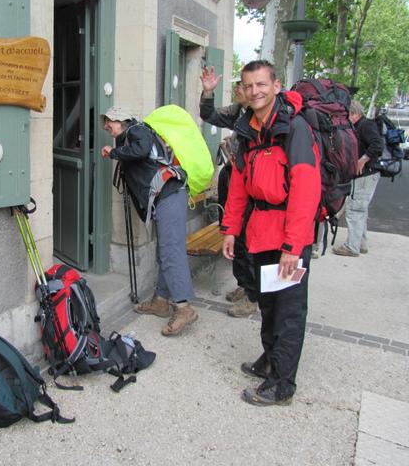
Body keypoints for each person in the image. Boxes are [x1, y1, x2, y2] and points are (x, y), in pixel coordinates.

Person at [221, 60, 321, 406]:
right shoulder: (249, 130)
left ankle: (282, 384)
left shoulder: (295, 129)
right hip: (261, 233)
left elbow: (306, 189)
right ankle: (270, 360)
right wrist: (231, 229)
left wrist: (293, 246)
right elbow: (238, 185)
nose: (255, 91)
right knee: (268, 304)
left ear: (276, 86)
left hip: (290, 236)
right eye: (249, 86)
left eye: (262, 84)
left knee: (288, 310)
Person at [100, 106, 198, 336]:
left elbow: (142, 150)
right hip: (165, 198)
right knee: (164, 251)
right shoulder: (129, 137)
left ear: (121, 120)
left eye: (109, 122)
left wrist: (114, 153)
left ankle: (184, 308)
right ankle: (161, 301)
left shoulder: (137, 130)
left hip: (169, 195)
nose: (106, 126)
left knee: (171, 251)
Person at [199, 69, 257, 318]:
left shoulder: (263, 117)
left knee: (250, 241)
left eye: (242, 85)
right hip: (234, 178)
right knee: (236, 236)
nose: (237, 89)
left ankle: (253, 296)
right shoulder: (238, 111)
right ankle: (244, 285)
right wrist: (208, 92)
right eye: (239, 84)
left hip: (252, 187)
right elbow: (209, 115)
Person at [332, 100, 383, 257]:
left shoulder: (365, 125)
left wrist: (363, 159)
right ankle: (360, 243)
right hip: (366, 174)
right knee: (360, 210)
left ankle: (352, 246)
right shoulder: (363, 125)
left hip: (366, 174)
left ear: (354, 114)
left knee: (355, 210)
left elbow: (377, 145)